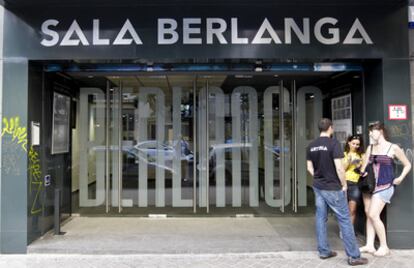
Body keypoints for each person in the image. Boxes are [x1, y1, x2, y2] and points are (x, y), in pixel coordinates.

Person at [307, 118, 368, 266]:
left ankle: (324, 251)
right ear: (330, 128)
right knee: (345, 219)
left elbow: (309, 167)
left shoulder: (311, 145)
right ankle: (354, 256)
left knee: (321, 218)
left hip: (318, 186)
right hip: (333, 187)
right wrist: (344, 184)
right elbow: (340, 168)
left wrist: (318, 177)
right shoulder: (333, 143)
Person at [359, 121, 411, 256]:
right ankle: (370, 245)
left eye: (372, 131)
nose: (370, 133)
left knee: (373, 214)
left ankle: (384, 246)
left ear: (380, 131)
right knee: (369, 215)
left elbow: (408, 164)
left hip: (385, 186)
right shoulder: (370, 148)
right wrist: (362, 171)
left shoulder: (393, 148)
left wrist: (400, 178)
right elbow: (363, 167)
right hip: (369, 186)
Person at [343, 135, 364, 225]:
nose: (355, 146)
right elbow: (342, 169)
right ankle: (344, 230)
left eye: (357, 144)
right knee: (343, 209)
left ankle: (350, 232)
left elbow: (363, 170)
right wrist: (349, 159)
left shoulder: (362, 155)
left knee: (352, 209)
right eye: (353, 143)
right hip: (344, 183)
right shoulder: (344, 154)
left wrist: (358, 165)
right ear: (349, 143)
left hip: (355, 183)